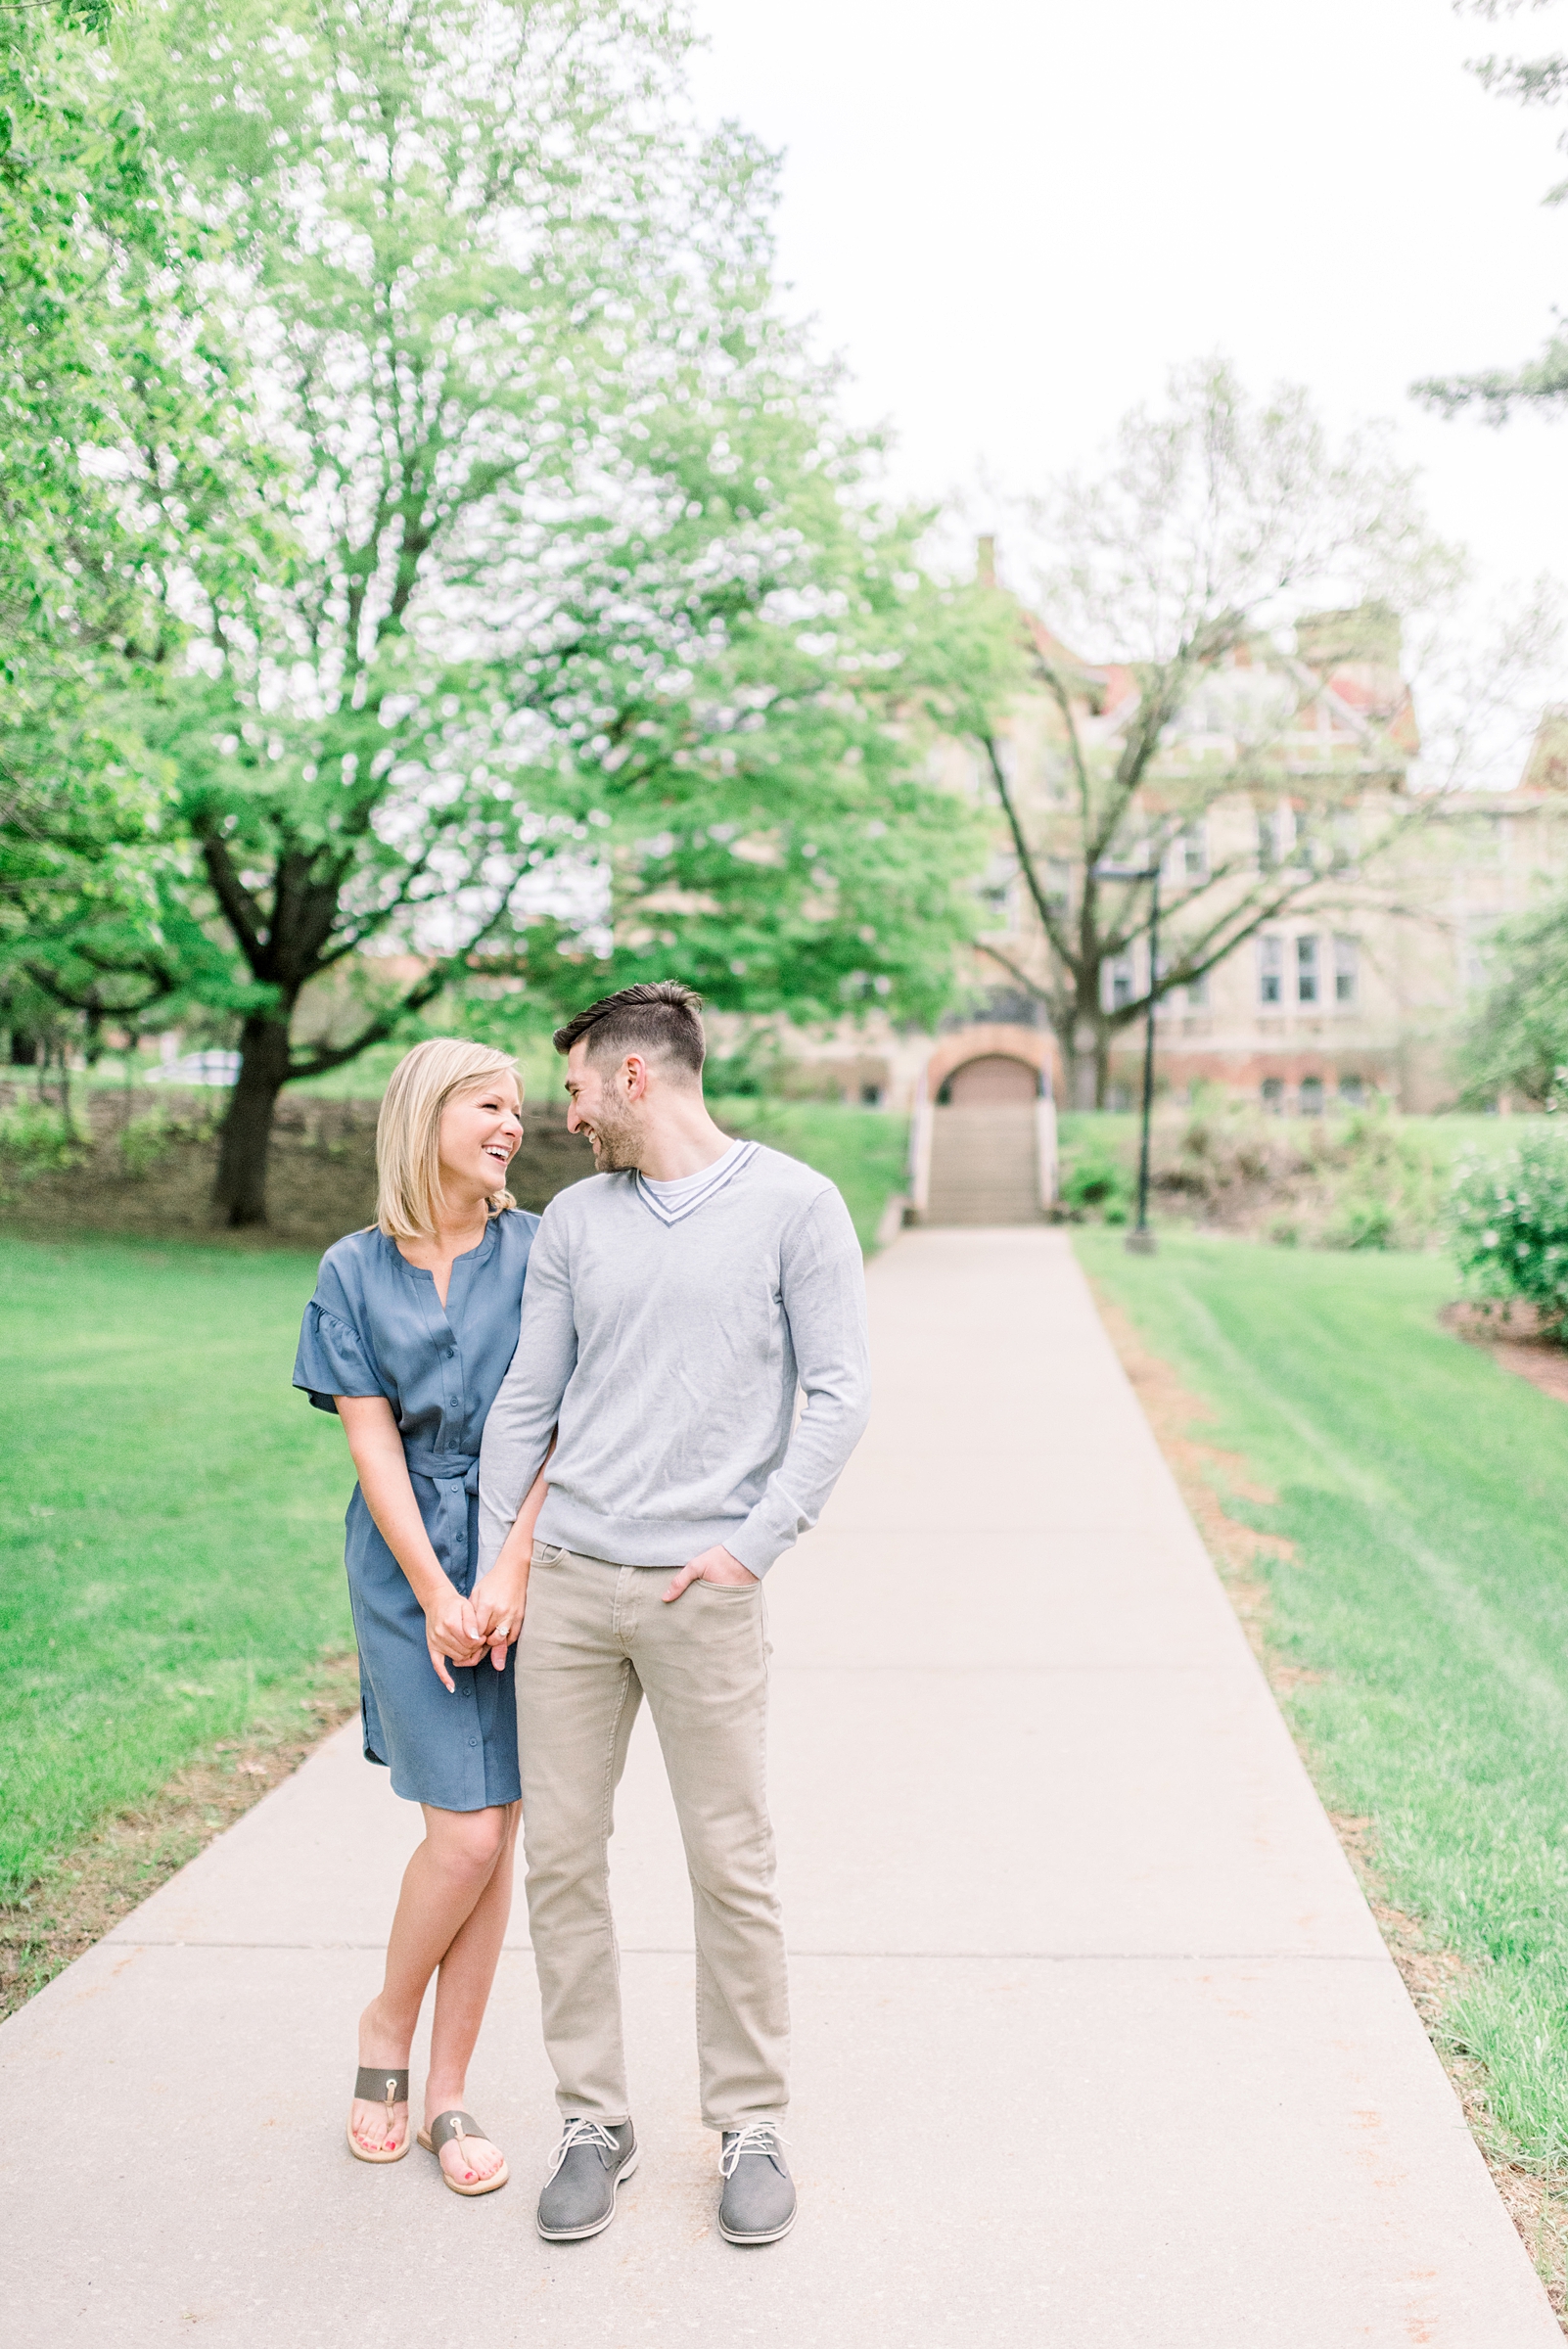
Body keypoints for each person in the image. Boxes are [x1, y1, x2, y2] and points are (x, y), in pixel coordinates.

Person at [478, 981, 871, 2247]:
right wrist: (504, 1563)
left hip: (701, 1596)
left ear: (636, 1078)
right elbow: (525, 1403)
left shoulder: (795, 1208)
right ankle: (593, 2120)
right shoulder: (575, 1225)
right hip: (576, 1589)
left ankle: (749, 2121)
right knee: (562, 1863)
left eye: (580, 1089)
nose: (568, 1115)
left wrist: (753, 1548)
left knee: (729, 1860)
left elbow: (839, 1395)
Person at [293, 1038, 550, 2197]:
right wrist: (442, 1593)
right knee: (468, 1831)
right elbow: (371, 1441)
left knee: (492, 1828)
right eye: (491, 1104)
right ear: (426, 1110)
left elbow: (564, 1427)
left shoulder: (542, 1253)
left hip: (525, 1562)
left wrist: (510, 1571)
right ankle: (386, 2025)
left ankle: (446, 2092)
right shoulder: (351, 1271)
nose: (514, 1125)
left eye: (520, 1110)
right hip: (407, 1573)